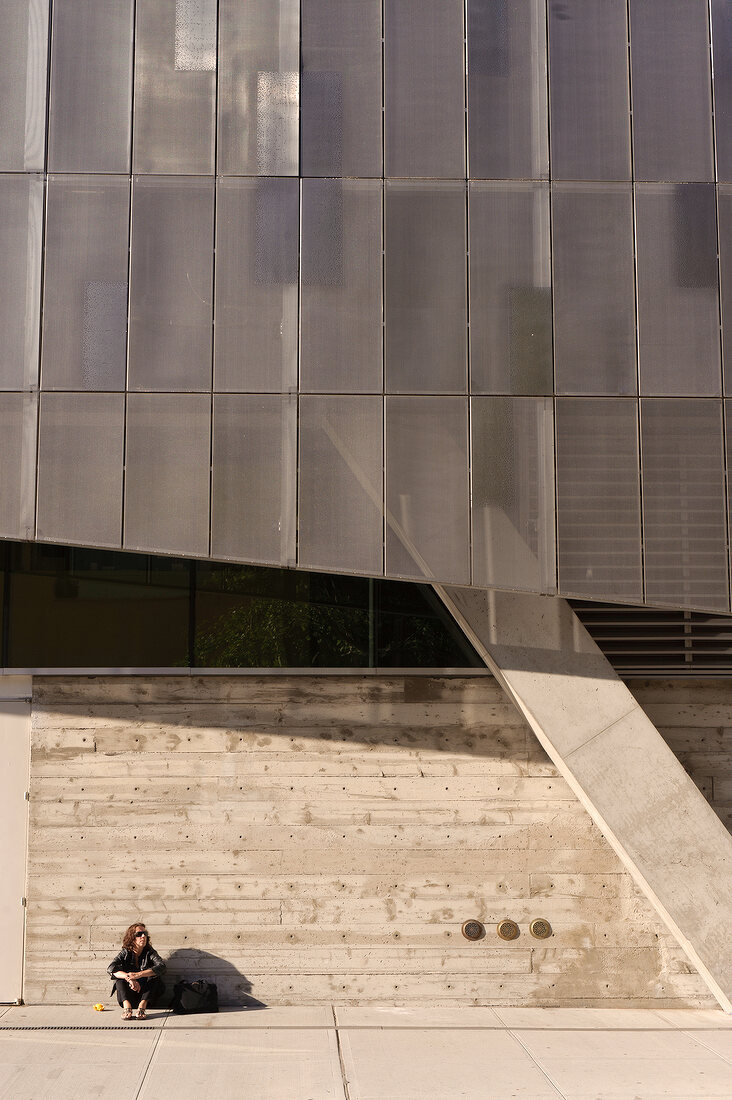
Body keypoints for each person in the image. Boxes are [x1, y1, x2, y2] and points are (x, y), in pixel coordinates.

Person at [107, 923, 166, 1020]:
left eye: (145, 933)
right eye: (139, 934)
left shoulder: (149, 952)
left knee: (154, 976)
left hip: (147, 997)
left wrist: (139, 975)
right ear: (132, 938)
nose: (143, 936)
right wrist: (129, 978)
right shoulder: (125, 952)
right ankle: (127, 1007)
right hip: (129, 996)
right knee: (119, 978)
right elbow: (111, 968)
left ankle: (142, 1007)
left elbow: (162, 966)